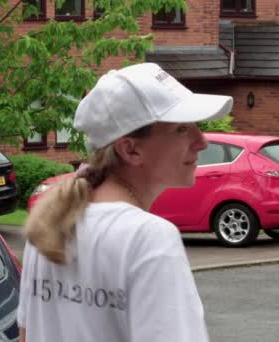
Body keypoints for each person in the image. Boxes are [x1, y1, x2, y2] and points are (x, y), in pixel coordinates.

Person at [17, 62, 233, 342]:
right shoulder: (148, 237)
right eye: (181, 129)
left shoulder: (50, 225)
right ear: (131, 149)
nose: (201, 141)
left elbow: (25, 335)